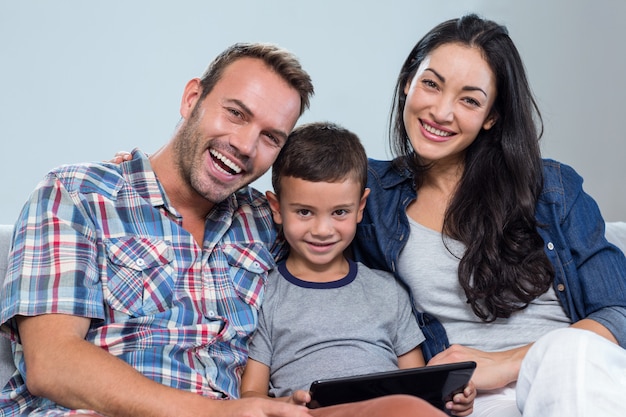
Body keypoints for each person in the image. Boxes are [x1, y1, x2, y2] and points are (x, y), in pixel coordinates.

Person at [0, 42, 444, 417]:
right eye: (235, 113)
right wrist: (216, 413)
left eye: (271, 137)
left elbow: (340, 218)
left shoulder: (264, 219)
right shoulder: (78, 194)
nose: (246, 145)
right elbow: (51, 362)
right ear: (192, 98)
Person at [351, 14, 626, 417]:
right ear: (407, 81)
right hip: (466, 402)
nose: (441, 112)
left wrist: (507, 363)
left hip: (575, 378)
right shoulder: (369, 193)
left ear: (491, 117)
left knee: (569, 353)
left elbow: (618, 311)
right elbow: (293, 205)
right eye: (431, 83)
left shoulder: (551, 188)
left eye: (470, 99)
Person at [239, 122, 475, 416]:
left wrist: (452, 399)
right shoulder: (266, 294)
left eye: (339, 212)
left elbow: (416, 385)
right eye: (304, 212)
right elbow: (250, 394)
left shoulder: (388, 290)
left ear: (360, 206)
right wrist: (285, 405)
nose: (322, 230)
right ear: (276, 208)